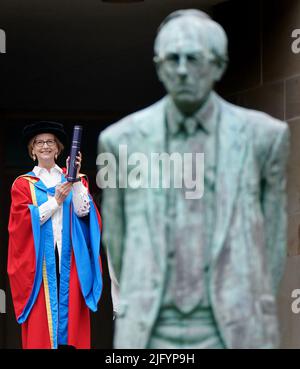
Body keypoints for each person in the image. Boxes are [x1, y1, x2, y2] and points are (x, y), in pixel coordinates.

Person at [98, 9, 289, 349]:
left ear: (218, 65)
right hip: (151, 328)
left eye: (194, 59)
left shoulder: (264, 137)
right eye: (173, 59)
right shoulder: (120, 140)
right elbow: (116, 236)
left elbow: (272, 236)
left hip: (233, 326)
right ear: (159, 66)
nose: (183, 70)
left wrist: (252, 304)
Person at [8, 121, 103, 349]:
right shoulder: (23, 184)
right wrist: (56, 201)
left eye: (50, 142)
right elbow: (22, 223)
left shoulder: (71, 179)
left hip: (70, 261)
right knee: (43, 325)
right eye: (39, 142)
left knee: (71, 327)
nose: (45, 146)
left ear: (59, 148)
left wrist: (77, 180)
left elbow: (84, 213)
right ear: (32, 149)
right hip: (40, 263)